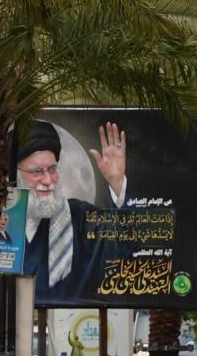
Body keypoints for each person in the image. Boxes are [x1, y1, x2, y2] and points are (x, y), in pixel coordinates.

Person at [16, 119, 133, 307]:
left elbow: (120, 249)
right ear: (14, 176)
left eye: (52, 169)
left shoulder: (80, 217)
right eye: (37, 171)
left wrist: (117, 185)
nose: (48, 180)